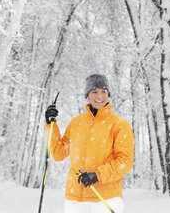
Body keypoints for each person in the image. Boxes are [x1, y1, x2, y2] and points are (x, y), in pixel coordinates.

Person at [45, 74, 134, 213]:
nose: (100, 96)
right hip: (75, 199)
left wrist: (97, 175)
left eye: (104, 91)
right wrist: (51, 124)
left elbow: (125, 161)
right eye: (95, 92)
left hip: (106, 199)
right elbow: (58, 153)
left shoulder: (119, 125)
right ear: (87, 95)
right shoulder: (76, 123)